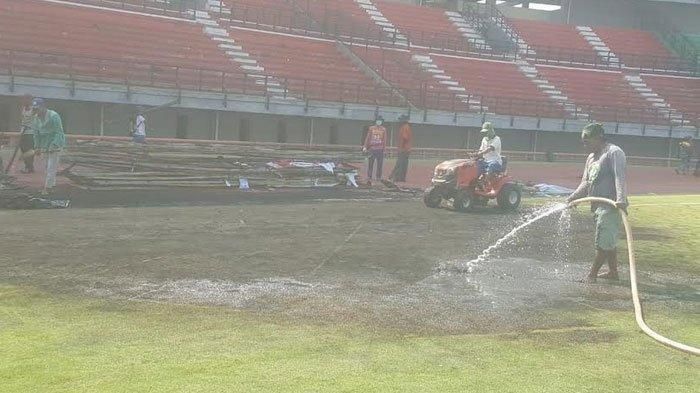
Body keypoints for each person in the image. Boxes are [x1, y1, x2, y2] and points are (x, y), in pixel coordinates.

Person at [566, 123, 628, 284]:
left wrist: (621, 199)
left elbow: (619, 177)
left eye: (587, 141)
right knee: (607, 240)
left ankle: (591, 275)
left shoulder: (614, 153)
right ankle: (613, 272)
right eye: (583, 142)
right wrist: (573, 197)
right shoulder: (591, 157)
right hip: (596, 205)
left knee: (603, 242)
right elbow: (586, 182)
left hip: (611, 205)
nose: (584, 145)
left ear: (599, 138)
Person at [32, 98, 66, 195]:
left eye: (38, 108)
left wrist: (54, 144)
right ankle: (52, 186)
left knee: (52, 167)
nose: (36, 111)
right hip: (44, 145)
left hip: (55, 144)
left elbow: (59, 132)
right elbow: (36, 134)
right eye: (35, 109)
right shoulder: (36, 118)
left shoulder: (54, 116)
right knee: (47, 167)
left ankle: (48, 187)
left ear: (43, 107)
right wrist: (37, 147)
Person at [474, 121, 502, 195]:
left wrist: (481, 153)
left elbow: (490, 148)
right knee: (474, 165)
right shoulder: (484, 139)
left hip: (495, 161)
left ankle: (484, 183)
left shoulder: (497, 139)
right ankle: (475, 182)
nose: (485, 133)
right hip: (485, 161)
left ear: (491, 130)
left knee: (491, 166)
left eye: (486, 132)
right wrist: (476, 154)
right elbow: (481, 149)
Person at [389, 114, 413, 183]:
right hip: (407, 149)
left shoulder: (404, 127)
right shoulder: (407, 127)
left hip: (403, 149)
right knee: (404, 164)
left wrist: (401, 148)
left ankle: (396, 177)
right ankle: (402, 178)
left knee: (399, 163)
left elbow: (404, 138)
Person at [363, 116, 387, 183]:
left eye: (380, 121)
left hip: (380, 149)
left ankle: (378, 177)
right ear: (375, 121)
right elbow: (368, 138)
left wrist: (384, 149)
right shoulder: (371, 128)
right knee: (370, 163)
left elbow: (384, 140)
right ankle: (369, 176)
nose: (379, 122)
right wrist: (365, 146)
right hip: (372, 148)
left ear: (382, 122)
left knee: (380, 164)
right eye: (377, 120)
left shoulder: (383, 129)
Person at [19, 94, 36, 173]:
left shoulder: (34, 109)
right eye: (23, 99)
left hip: (30, 132)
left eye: (26, 99)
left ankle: (29, 167)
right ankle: (28, 166)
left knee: (29, 150)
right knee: (23, 149)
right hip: (23, 132)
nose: (24, 101)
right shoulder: (23, 108)